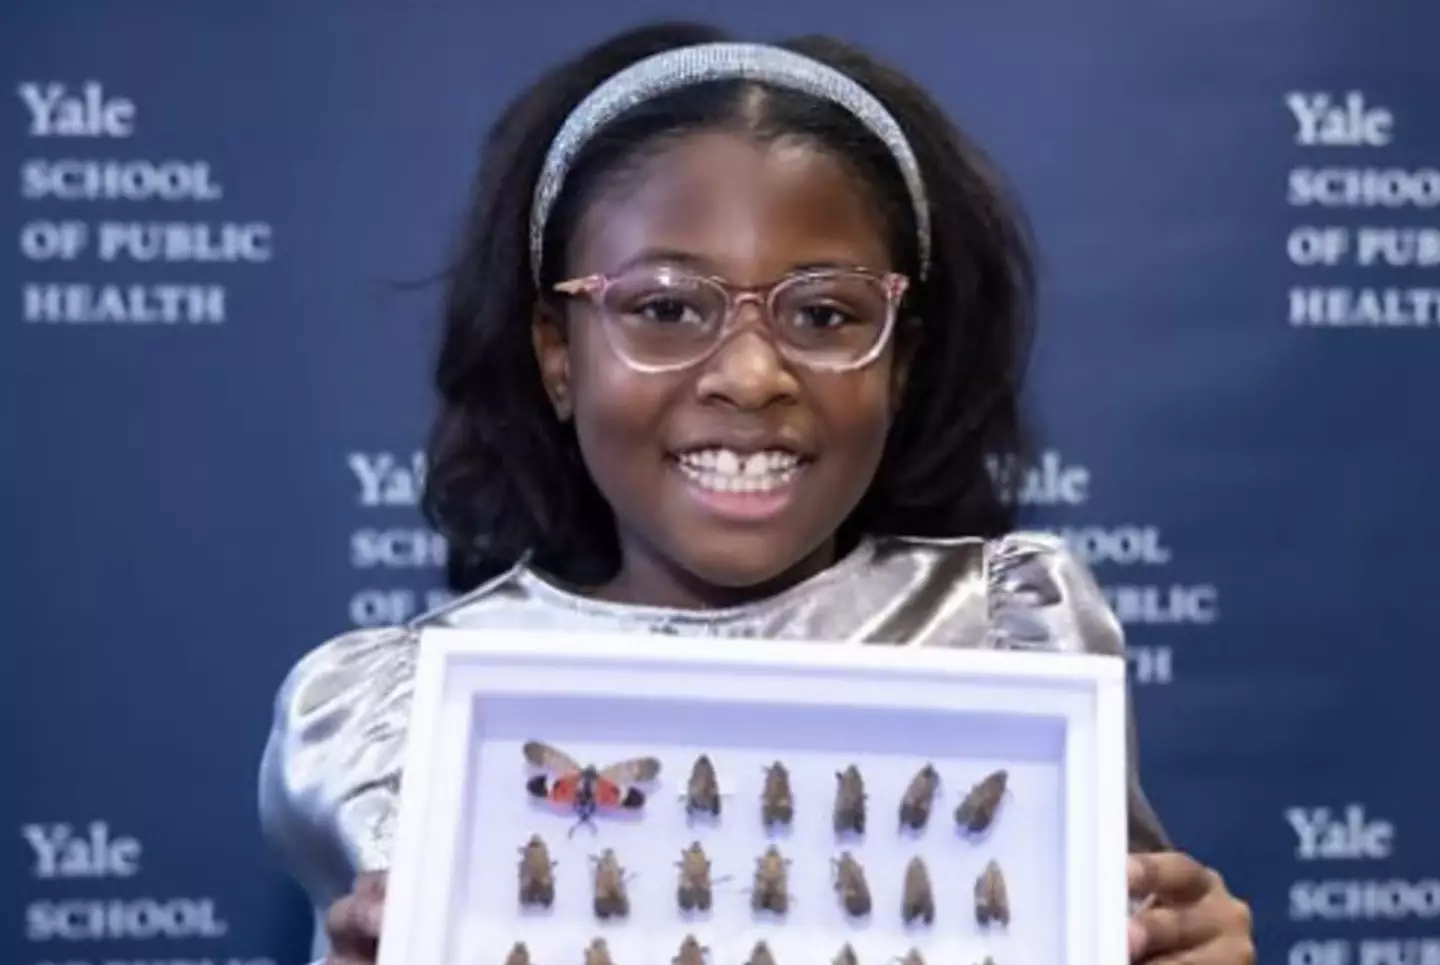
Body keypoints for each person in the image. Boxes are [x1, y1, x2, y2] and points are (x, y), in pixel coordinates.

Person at [257, 20, 1254, 965]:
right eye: (664, 307)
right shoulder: (391, 724)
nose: (750, 373)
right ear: (557, 355)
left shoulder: (1014, 631)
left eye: (823, 313)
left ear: (899, 362)